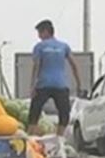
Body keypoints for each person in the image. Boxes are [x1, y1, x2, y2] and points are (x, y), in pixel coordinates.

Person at [28, 20, 82, 149]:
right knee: (64, 113)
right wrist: (79, 83)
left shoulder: (39, 47)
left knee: (34, 113)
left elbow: (36, 66)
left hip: (43, 84)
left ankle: (31, 141)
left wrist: (32, 86)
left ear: (46, 31)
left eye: (40, 33)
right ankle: (59, 140)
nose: (39, 36)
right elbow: (74, 65)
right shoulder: (64, 46)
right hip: (61, 85)